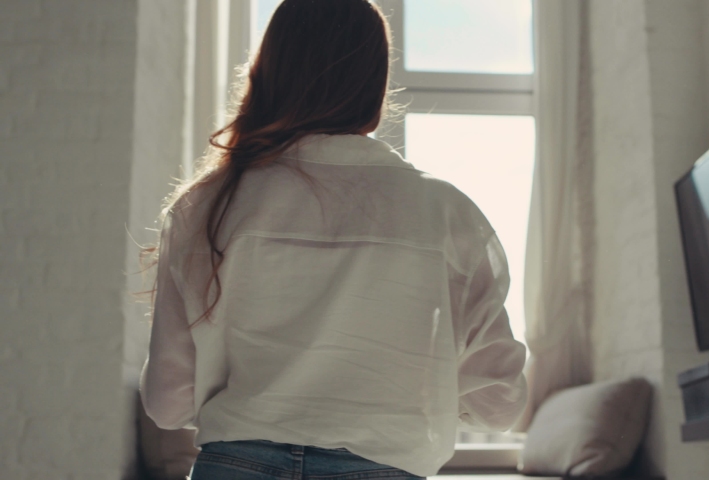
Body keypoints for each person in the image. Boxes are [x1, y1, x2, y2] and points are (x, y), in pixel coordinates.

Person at [139, 0, 527, 478]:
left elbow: (166, 403)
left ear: (270, 71)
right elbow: (499, 404)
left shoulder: (205, 205)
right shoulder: (449, 215)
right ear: (374, 84)